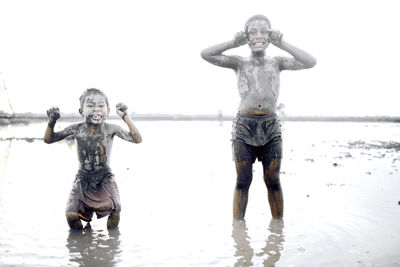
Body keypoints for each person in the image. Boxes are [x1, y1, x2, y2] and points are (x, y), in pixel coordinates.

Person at [201, 14, 316, 219]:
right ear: (246, 37)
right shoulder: (239, 62)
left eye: (264, 31)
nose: (258, 36)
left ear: (270, 36)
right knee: (243, 181)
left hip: (271, 127)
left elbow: (310, 61)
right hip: (244, 126)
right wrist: (232, 42)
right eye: (253, 32)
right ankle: (239, 233)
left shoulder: (277, 62)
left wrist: (283, 44)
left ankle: (278, 227)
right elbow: (205, 54)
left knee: (273, 180)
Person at [44, 88, 142, 229]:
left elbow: (137, 139)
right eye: (90, 106)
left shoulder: (111, 129)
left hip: (105, 176)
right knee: (71, 215)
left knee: (116, 209)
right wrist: (51, 122)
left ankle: (112, 244)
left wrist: (126, 117)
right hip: (83, 176)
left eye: (101, 106)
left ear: (108, 111)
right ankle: (81, 240)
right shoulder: (76, 129)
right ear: (81, 111)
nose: (96, 110)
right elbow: (49, 139)